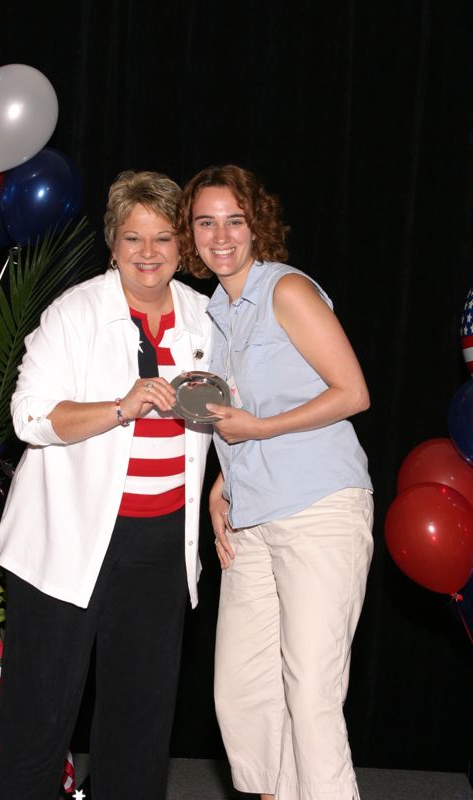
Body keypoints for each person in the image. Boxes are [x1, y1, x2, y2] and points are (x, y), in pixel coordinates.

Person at [0, 170, 213, 800]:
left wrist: (226, 498)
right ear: (113, 244)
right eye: (133, 237)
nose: (149, 253)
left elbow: (228, 418)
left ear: (181, 247)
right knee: (39, 720)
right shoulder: (74, 312)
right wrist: (121, 407)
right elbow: (28, 416)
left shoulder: (206, 319)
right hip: (66, 543)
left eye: (164, 237)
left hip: (162, 547)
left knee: (140, 727)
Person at [178, 164, 373, 800]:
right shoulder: (217, 316)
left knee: (311, 693)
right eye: (206, 222)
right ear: (193, 236)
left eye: (234, 219)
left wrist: (258, 431)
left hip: (320, 508)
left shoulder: (286, 290)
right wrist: (218, 485)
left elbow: (353, 393)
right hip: (254, 520)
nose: (221, 234)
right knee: (242, 696)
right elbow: (227, 418)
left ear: (257, 224)